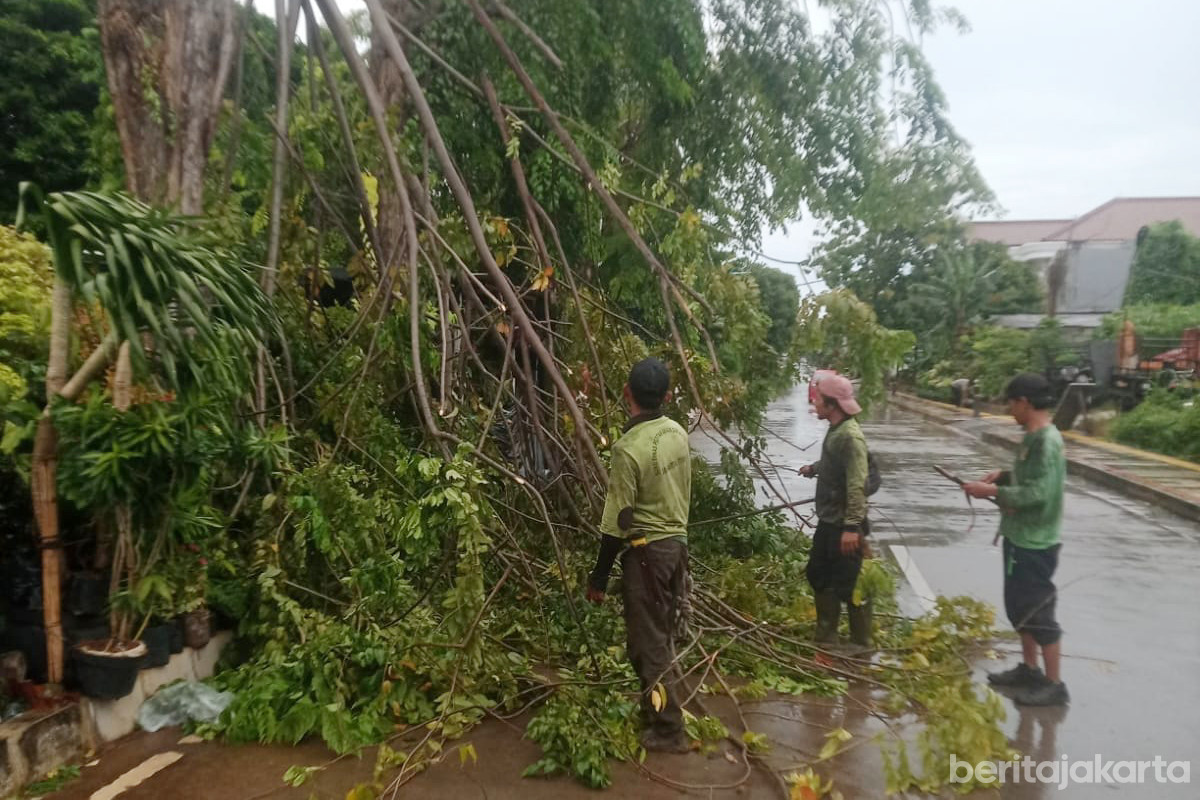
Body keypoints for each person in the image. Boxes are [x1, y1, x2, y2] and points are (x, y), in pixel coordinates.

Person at [586, 358, 692, 752]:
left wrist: (598, 577)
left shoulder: (627, 449)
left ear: (626, 392)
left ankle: (669, 730)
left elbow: (617, 521)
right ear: (668, 396)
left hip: (647, 555)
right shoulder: (678, 433)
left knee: (649, 643)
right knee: (652, 637)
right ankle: (653, 710)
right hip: (676, 549)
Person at [962, 373, 1069, 707]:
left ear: (1024, 402)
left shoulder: (1047, 441)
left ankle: (1054, 684)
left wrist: (993, 491)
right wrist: (1004, 476)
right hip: (1020, 536)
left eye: (1011, 403)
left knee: (1038, 611)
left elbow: (1039, 492)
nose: (1009, 410)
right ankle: (1029, 669)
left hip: (1035, 542)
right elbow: (1030, 478)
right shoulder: (1032, 437)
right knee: (1020, 608)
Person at [798, 374, 872, 650]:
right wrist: (814, 469)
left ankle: (860, 644)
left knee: (850, 584)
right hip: (829, 521)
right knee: (818, 573)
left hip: (844, 525)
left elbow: (857, 485)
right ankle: (827, 636)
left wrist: (852, 528)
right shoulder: (837, 430)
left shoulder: (851, 437)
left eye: (818, 400)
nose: (815, 404)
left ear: (832, 404)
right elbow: (834, 462)